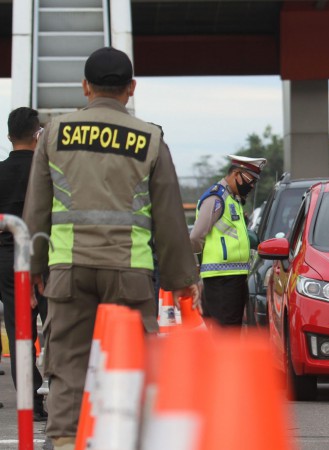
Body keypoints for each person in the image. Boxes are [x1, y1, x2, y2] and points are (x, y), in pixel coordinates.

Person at [23, 47, 201, 450]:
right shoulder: (151, 138)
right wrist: (182, 280)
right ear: (130, 88)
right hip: (129, 273)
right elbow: (169, 218)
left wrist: (33, 266)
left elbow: (37, 208)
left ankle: (67, 442)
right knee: (130, 367)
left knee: (68, 366)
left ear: (85, 87)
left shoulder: (54, 133)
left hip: (68, 269)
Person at [0, 107, 49, 421]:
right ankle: (61, 396)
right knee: (58, 329)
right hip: (46, 256)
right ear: (38, 135)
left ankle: (30, 404)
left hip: (6, 260)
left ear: (8, 136)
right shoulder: (49, 171)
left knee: (20, 331)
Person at [190, 155, 266, 327]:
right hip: (220, 280)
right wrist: (196, 265)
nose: (252, 185)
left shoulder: (233, 199)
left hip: (234, 278)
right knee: (226, 333)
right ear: (236, 174)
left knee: (231, 330)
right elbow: (195, 237)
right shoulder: (216, 198)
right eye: (250, 180)